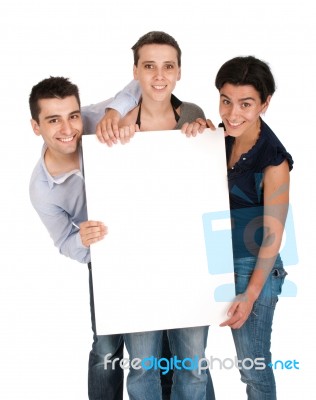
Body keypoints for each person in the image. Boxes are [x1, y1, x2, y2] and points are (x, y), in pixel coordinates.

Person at [108, 30, 215, 400]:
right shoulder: (116, 132)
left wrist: (204, 135)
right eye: (149, 66)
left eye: (168, 66)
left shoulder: (195, 122)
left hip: (190, 268)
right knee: (141, 372)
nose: (159, 75)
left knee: (193, 370)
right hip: (137, 270)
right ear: (135, 71)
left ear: (179, 72)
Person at [183, 55, 293, 399]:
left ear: (265, 103)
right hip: (210, 261)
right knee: (190, 363)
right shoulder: (218, 137)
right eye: (226, 101)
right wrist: (197, 136)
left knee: (253, 369)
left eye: (246, 104)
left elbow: (273, 234)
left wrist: (251, 293)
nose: (232, 113)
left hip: (253, 266)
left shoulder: (273, 159)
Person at [28, 77, 140, 400]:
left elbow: (135, 89)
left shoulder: (92, 121)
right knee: (106, 345)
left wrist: (113, 114)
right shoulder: (41, 189)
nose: (68, 128)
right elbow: (65, 242)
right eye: (53, 120)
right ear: (36, 127)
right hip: (103, 260)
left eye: (72, 116)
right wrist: (85, 242)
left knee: (152, 340)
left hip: (147, 243)